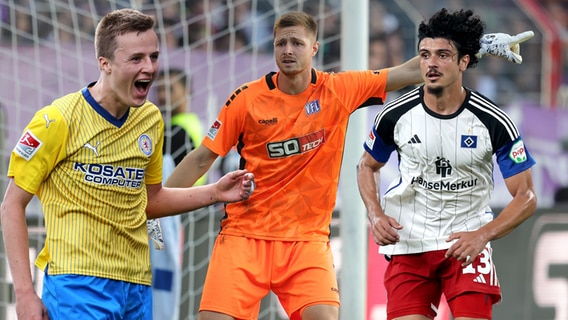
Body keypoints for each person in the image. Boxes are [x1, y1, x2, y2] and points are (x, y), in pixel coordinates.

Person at [165, 10, 532, 320]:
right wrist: (159, 204)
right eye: (281, 43)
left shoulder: (339, 89)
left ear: (314, 48)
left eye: (297, 43)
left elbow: (411, 71)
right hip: (244, 236)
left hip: (306, 241)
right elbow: (201, 157)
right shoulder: (245, 100)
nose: (288, 50)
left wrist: (474, 45)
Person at [0, 8, 254, 320]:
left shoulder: (150, 119)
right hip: (77, 284)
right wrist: (24, 293)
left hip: (136, 286)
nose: (149, 67)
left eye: (153, 56)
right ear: (104, 64)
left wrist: (215, 192)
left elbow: (150, 200)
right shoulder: (57, 120)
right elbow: (12, 204)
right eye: (136, 59)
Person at [356, 8, 537, 320]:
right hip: (409, 242)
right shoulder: (395, 115)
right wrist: (375, 214)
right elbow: (366, 165)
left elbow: (527, 196)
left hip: (466, 245)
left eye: (443, 55)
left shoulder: (494, 121)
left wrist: (483, 234)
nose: (432, 63)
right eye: (425, 55)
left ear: (463, 61)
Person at [151, 68, 207, 320]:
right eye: (159, 89)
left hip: (177, 220)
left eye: (169, 89)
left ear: (187, 92)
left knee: (162, 282)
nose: (163, 95)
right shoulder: (183, 126)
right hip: (178, 216)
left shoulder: (178, 130)